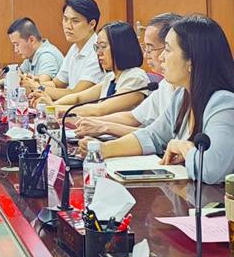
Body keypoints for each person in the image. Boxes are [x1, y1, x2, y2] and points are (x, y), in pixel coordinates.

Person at [82, 15, 234, 185]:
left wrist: (184, 147)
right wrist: (103, 149)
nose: (161, 57)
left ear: (191, 60)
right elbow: (152, 135)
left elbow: (212, 170)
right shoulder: (182, 96)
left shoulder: (224, 104)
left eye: (167, 49)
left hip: (214, 199)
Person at [74, 13, 182, 139]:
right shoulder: (165, 85)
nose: (146, 55)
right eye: (145, 47)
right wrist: (92, 122)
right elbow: (133, 117)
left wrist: (103, 126)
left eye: (151, 48)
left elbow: (159, 136)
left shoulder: (136, 77)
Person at [51, 21, 151, 117]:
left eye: (103, 46)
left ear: (121, 48)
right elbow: (78, 98)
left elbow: (99, 110)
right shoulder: (111, 77)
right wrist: (52, 105)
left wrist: (54, 108)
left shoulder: (135, 78)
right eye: (97, 47)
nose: (98, 53)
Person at [29, 0, 104, 100]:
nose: (68, 26)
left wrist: (36, 87)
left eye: (75, 21)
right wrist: (33, 82)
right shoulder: (75, 47)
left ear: (92, 24)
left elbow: (77, 94)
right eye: (65, 19)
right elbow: (57, 83)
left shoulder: (98, 52)